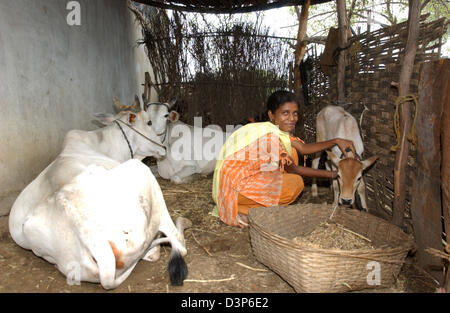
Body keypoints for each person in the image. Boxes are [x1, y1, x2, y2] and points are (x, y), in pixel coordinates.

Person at [212, 90, 356, 227]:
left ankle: (242, 206)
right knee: (295, 184)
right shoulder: (270, 137)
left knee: (292, 151)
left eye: (295, 113)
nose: (292, 118)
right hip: (233, 188)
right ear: (272, 115)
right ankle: (242, 211)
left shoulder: (274, 131)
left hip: (230, 185)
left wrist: (336, 141)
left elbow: (303, 148)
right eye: (285, 113)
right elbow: (294, 169)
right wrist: (333, 174)